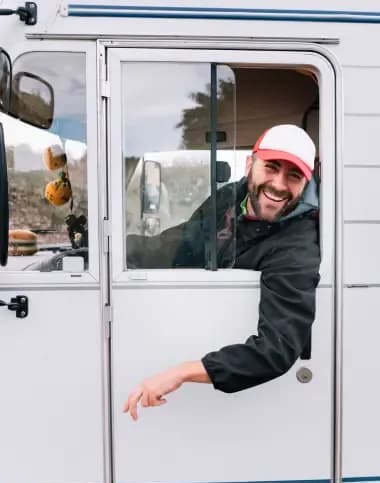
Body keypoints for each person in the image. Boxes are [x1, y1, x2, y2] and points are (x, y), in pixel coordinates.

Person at [123, 124, 320, 420]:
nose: (279, 184)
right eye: (271, 167)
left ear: (306, 183)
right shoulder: (229, 198)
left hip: (252, 411)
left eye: (293, 175)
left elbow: (276, 350)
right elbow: (177, 244)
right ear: (250, 164)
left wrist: (183, 373)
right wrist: (107, 251)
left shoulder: (297, 245)